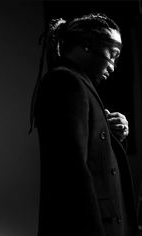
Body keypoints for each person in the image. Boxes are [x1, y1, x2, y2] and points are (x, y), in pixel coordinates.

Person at [29, 13, 139, 236]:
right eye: (113, 54)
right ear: (87, 46)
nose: (114, 66)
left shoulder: (80, 84)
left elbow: (94, 160)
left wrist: (113, 136)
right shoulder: (65, 82)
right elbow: (71, 172)